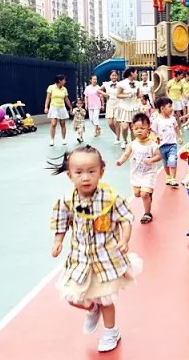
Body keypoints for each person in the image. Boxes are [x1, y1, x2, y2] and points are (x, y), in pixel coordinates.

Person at [48, 145, 142, 352]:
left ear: (101, 171)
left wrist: (125, 239)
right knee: (71, 296)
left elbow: (125, 219)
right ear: (69, 175)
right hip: (80, 259)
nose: (85, 177)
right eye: (78, 172)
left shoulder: (111, 198)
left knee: (106, 299)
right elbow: (61, 222)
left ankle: (111, 332)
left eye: (91, 171)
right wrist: (58, 242)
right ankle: (92, 308)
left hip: (105, 258)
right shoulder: (67, 200)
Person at [116, 113, 161, 224]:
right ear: (132, 129)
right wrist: (121, 160)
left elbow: (159, 156)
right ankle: (148, 195)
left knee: (144, 194)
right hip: (136, 174)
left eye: (142, 128)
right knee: (137, 194)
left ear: (148, 128)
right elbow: (126, 154)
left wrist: (151, 160)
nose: (139, 131)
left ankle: (147, 213)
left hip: (149, 173)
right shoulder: (132, 144)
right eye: (136, 129)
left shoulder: (153, 145)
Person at [151, 97, 180, 188]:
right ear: (162, 108)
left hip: (172, 144)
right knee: (165, 162)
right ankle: (168, 176)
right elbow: (152, 131)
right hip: (162, 146)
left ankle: (173, 178)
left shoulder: (172, 119)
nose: (172, 108)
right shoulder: (157, 120)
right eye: (170, 106)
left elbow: (176, 128)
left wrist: (179, 137)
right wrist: (155, 138)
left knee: (172, 160)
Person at [44, 74, 73, 146]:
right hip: (53, 107)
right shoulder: (51, 87)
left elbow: (66, 99)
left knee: (62, 124)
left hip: (62, 107)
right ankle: (52, 140)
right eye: (64, 80)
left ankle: (63, 139)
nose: (65, 81)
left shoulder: (64, 89)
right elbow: (48, 98)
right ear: (59, 81)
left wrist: (70, 107)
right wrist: (46, 107)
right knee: (53, 124)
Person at [116, 68, 139, 149]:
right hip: (124, 107)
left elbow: (139, 95)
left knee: (133, 128)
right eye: (136, 72)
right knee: (125, 127)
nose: (137, 74)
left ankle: (133, 143)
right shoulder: (122, 83)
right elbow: (118, 95)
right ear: (131, 73)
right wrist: (128, 95)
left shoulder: (137, 83)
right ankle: (125, 140)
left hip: (134, 108)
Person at [101, 71, 121, 145]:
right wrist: (104, 94)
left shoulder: (120, 84)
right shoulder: (106, 84)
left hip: (118, 104)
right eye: (112, 75)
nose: (114, 77)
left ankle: (118, 138)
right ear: (110, 76)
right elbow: (98, 90)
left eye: (115, 75)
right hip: (110, 104)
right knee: (110, 123)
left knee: (116, 122)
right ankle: (117, 134)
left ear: (117, 76)